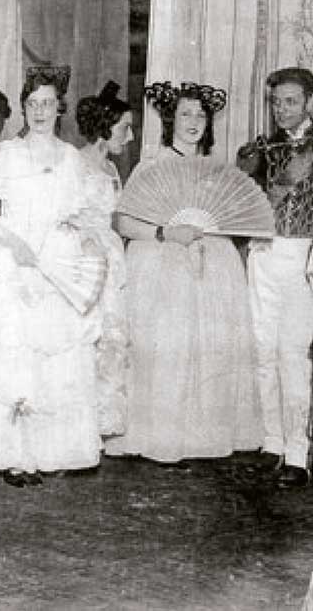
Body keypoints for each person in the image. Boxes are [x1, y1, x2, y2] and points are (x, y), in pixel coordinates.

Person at [0, 65, 102, 487]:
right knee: (14, 356)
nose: (39, 111)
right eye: (32, 103)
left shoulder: (71, 159)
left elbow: (79, 215)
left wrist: (72, 240)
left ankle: (48, 451)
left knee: (54, 358)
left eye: (48, 103)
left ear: (60, 108)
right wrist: (14, 244)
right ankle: (14, 456)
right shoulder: (9, 154)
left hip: (55, 262)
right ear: (24, 107)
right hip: (12, 255)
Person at [104, 81, 261, 463]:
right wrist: (166, 233)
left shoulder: (214, 169)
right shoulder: (152, 164)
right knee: (169, 349)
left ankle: (201, 434)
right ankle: (164, 436)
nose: (193, 122)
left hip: (211, 268)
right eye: (186, 114)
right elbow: (123, 222)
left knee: (208, 349)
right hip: (162, 264)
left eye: (201, 115)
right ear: (171, 120)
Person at [237, 67, 313, 486]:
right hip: (262, 254)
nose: (282, 109)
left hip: (303, 257)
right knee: (264, 351)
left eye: (290, 101)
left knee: (293, 354)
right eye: (276, 102)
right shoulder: (258, 149)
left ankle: (299, 455)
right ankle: (273, 444)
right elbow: (240, 198)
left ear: (308, 103)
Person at [75, 81, 134, 438]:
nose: (128, 138)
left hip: (111, 256)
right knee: (85, 337)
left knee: (110, 339)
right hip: (83, 259)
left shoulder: (112, 170)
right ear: (105, 125)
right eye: (125, 128)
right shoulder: (75, 162)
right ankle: (78, 427)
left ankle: (100, 427)